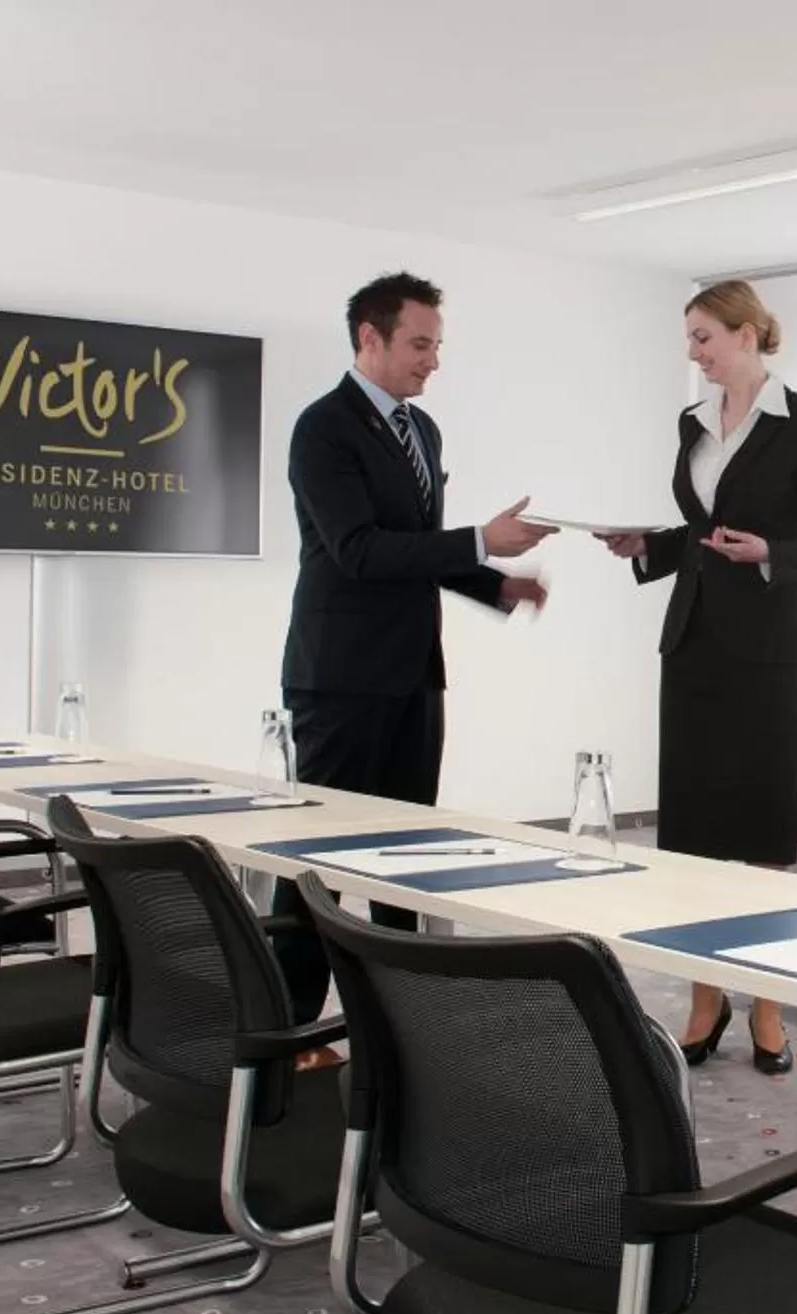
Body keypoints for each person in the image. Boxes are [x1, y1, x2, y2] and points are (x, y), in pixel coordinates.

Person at [271, 270, 554, 1023]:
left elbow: (419, 548)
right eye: (419, 344)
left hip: (413, 674)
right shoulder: (323, 428)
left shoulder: (421, 431)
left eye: (437, 345)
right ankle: (289, 1025)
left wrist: (497, 582)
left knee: (408, 854)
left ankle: (403, 1021)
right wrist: (478, 539)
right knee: (315, 860)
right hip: (339, 677)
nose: (433, 360)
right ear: (370, 338)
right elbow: (359, 551)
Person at [598, 280, 797, 1075]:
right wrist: (650, 546)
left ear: (747, 335)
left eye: (703, 337)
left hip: (772, 650)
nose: (693, 352)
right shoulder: (695, 422)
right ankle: (706, 1000)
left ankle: (770, 1006)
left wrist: (774, 553)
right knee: (696, 840)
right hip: (697, 643)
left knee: (766, 837)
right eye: (690, 338)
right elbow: (703, 531)